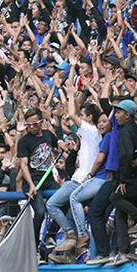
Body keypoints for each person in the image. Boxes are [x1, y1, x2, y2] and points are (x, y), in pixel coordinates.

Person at [47, 82, 102, 259]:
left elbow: (72, 114)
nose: (80, 119)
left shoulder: (92, 131)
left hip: (81, 182)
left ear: (90, 118)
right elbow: (74, 115)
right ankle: (70, 244)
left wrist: (70, 95)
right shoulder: (86, 136)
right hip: (78, 180)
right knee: (62, 209)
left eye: (84, 116)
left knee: (53, 204)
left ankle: (75, 234)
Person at [86, 99, 137, 265]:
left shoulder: (126, 130)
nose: (115, 115)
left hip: (116, 178)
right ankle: (109, 251)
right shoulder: (117, 126)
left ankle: (104, 252)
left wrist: (124, 179)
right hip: (114, 177)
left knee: (95, 212)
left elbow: (127, 156)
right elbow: (104, 102)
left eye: (119, 112)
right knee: (107, 215)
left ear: (128, 115)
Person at [107, 102, 137, 266]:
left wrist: (126, 173)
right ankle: (126, 251)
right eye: (136, 119)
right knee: (120, 210)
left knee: (115, 197)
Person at [16, 108, 59, 243]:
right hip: (33, 180)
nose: (31, 127)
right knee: (39, 212)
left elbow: (58, 143)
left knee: (65, 201)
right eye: (28, 125)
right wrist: (30, 185)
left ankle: (50, 235)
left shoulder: (47, 134)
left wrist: (66, 144)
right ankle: (34, 245)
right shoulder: (24, 141)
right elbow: (23, 165)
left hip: (48, 179)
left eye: (34, 124)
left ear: (41, 122)